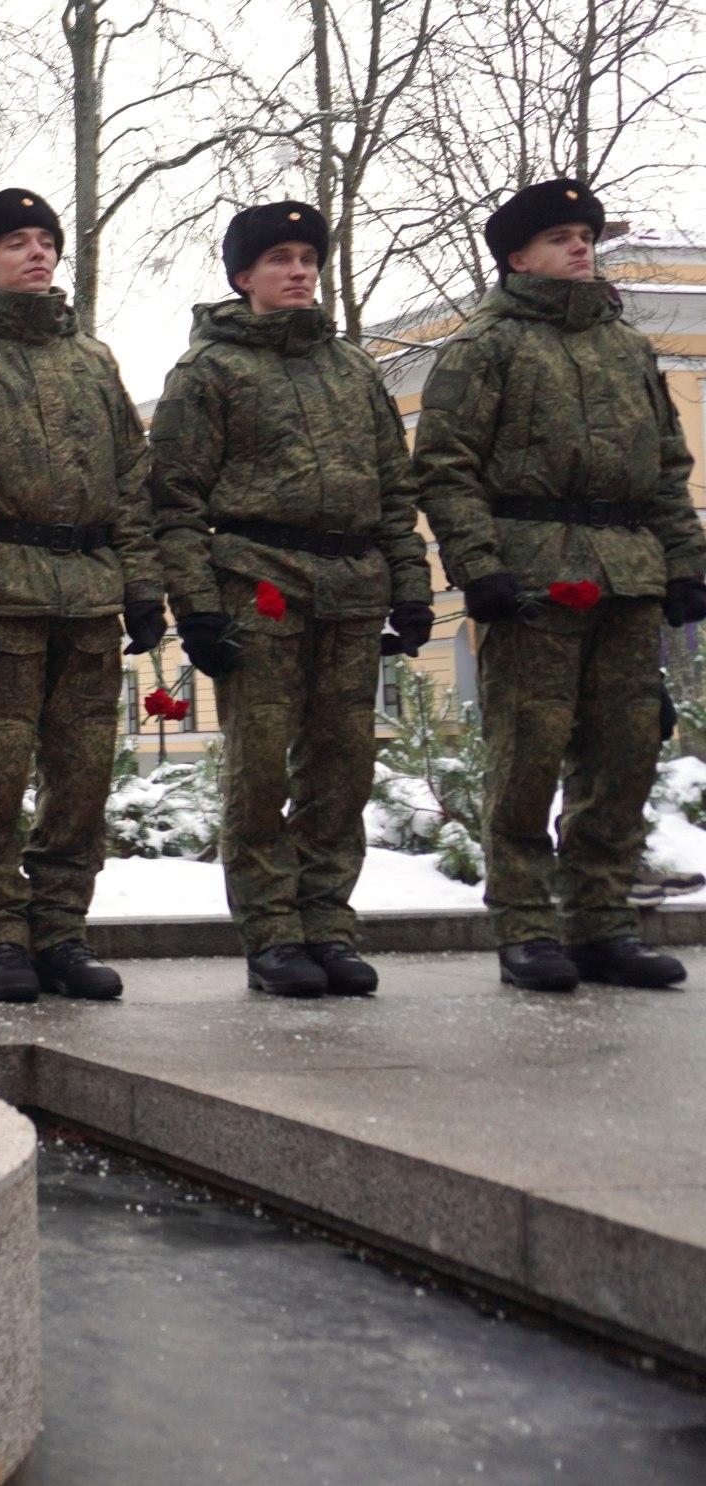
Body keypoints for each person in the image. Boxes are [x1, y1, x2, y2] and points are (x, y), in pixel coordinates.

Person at [413, 178, 704, 992]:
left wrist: (685, 566)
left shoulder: (627, 347)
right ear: (518, 257)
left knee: (623, 755)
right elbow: (445, 467)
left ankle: (603, 922)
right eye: (561, 237)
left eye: (586, 234)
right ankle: (526, 924)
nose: (581, 247)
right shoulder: (485, 347)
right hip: (535, 574)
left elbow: (666, 471)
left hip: (628, 572)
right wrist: (481, 567)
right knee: (528, 755)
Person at [150, 201, 432, 998]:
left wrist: (410, 592)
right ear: (244, 277)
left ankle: (329, 924)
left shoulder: (352, 370)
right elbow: (173, 503)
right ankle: (273, 932)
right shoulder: (208, 372)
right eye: (279, 259)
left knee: (342, 769)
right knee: (260, 770)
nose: (299, 270)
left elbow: (393, 494)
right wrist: (198, 611)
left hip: (351, 592)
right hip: (258, 585)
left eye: (308, 257)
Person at [0, 188, 162, 1003]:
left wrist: (143, 588)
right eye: (17, 242)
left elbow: (132, 482)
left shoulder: (93, 361)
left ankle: (62, 930)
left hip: (87, 599)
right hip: (0, 596)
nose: (38, 253)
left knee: (83, 776)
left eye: (46, 240)